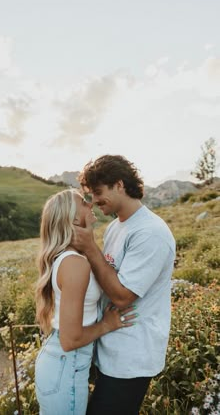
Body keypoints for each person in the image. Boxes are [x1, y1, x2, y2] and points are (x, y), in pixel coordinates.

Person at [72, 154, 176, 415]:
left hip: (132, 357)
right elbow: (106, 275)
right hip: (110, 348)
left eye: (98, 192)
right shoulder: (117, 227)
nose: (93, 201)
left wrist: (90, 248)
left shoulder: (151, 232)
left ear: (119, 185)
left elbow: (122, 296)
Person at [34, 189, 137, 415]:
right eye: (83, 202)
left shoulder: (70, 259)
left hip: (60, 364)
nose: (90, 204)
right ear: (71, 218)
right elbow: (70, 340)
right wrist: (107, 325)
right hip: (66, 365)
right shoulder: (75, 264)